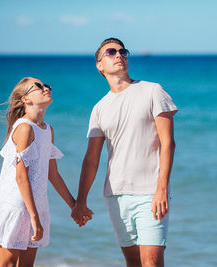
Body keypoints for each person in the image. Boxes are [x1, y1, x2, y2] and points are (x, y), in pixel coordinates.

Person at [71, 38, 178, 267]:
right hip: (116, 194)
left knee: (152, 261)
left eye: (123, 51)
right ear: (100, 65)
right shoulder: (99, 108)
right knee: (133, 262)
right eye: (111, 52)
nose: (119, 55)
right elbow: (91, 159)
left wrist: (161, 189)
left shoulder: (152, 91)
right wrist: (81, 201)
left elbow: (168, 143)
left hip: (150, 193)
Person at [0, 77, 84, 266]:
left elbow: (53, 174)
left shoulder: (47, 130)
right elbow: (21, 177)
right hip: (17, 206)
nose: (46, 87)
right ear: (26, 100)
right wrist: (34, 217)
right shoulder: (24, 128)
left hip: (36, 205)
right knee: (8, 264)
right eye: (38, 86)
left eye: (46, 85)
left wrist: (74, 206)